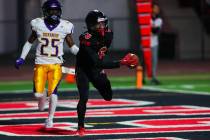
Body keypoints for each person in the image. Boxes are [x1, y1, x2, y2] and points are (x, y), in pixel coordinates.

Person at [15, 0, 79, 128]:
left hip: (56, 63)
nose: (54, 13)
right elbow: (29, 42)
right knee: (38, 94)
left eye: (56, 10)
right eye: (51, 10)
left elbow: (72, 46)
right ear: (45, 11)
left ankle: (50, 119)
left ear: (60, 11)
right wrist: (22, 57)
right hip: (40, 62)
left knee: (53, 92)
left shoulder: (65, 26)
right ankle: (42, 96)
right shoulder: (38, 24)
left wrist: (85, 55)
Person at [75, 10, 139, 136]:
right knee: (84, 97)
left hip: (97, 67)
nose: (102, 27)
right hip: (84, 69)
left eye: (103, 23)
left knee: (108, 96)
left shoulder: (108, 34)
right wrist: (121, 62)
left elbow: (101, 55)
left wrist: (108, 64)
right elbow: (96, 62)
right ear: (91, 25)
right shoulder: (86, 39)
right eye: (99, 24)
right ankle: (80, 127)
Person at [150, 3, 163, 85]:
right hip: (146, 42)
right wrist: (152, 28)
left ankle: (153, 77)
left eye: (157, 8)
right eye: (155, 8)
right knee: (143, 61)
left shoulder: (159, 19)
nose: (156, 10)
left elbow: (155, 31)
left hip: (154, 43)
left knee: (154, 61)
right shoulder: (147, 18)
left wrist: (151, 28)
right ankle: (142, 78)